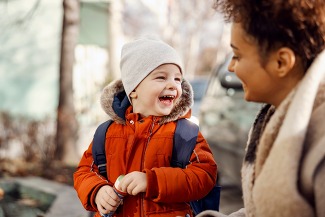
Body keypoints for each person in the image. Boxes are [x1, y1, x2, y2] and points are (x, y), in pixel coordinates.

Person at [197, 0, 325, 217]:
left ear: (281, 63)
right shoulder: (277, 117)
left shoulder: (320, 148)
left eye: (237, 55)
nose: (230, 67)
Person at [74, 38, 217, 217]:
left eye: (178, 79)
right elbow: (84, 171)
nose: (173, 84)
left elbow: (205, 175)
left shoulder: (184, 133)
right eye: (161, 77)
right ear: (133, 89)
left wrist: (153, 181)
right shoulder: (106, 133)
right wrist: (97, 191)